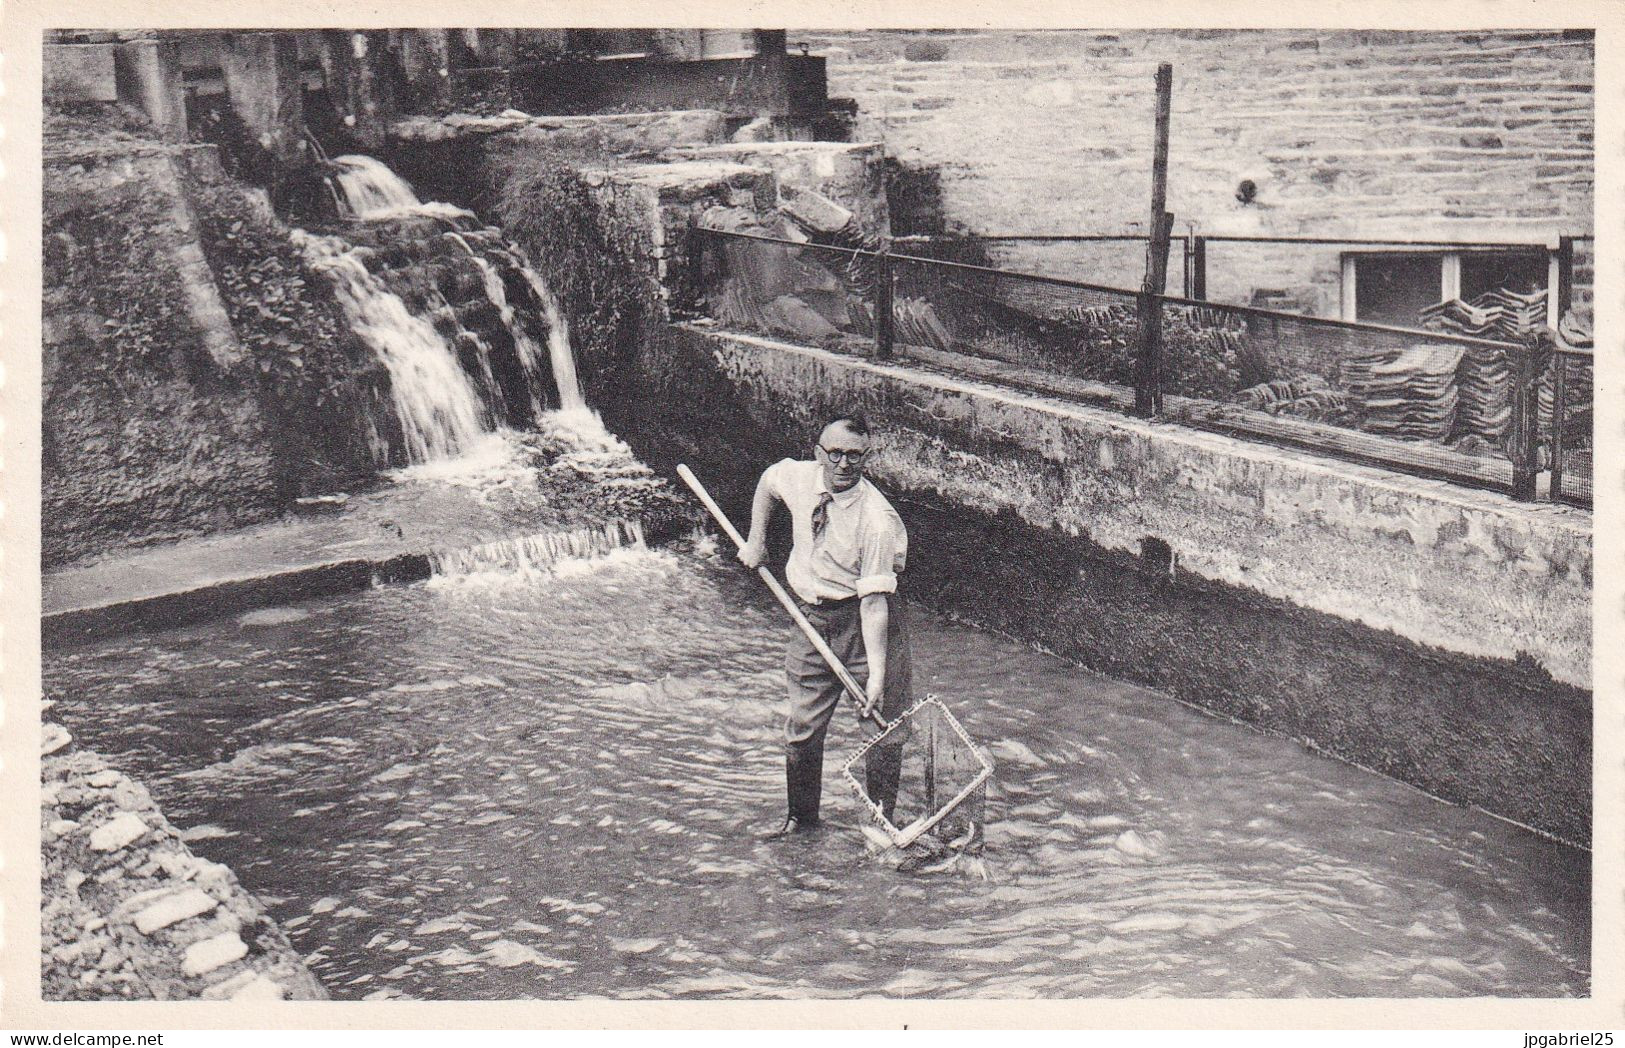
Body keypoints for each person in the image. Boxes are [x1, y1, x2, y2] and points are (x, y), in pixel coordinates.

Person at [739, 414, 912, 841]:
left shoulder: (877, 521)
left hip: (866, 615)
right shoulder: (799, 477)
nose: (843, 464)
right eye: (834, 453)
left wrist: (875, 674)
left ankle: (882, 827)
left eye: (855, 455)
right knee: (802, 726)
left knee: (882, 725)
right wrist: (756, 540)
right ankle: (801, 822)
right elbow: (767, 482)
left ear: (866, 459)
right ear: (819, 453)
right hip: (809, 615)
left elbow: (873, 603)